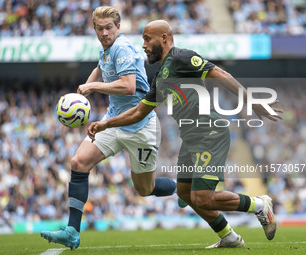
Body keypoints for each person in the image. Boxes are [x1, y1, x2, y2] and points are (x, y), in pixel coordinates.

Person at [88, 20, 283, 248]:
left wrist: (251, 102)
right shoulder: (161, 76)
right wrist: (105, 124)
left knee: (203, 197)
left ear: (163, 38)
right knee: (185, 193)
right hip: (191, 139)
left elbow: (219, 73)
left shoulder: (181, 57)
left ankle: (259, 205)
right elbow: (139, 112)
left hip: (209, 133)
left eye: (147, 39)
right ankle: (228, 236)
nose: (143, 45)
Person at [40, 9, 176, 250]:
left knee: (145, 189)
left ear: (118, 27)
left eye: (109, 28)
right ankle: (72, 231)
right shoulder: (106, 49)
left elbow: (128, 86)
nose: (104, 32)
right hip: (113, 120)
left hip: (140, 124)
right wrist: (84, 89)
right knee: (79, 163)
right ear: (94, 29)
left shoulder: (122, 48)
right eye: (100, 28)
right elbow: (101, 67)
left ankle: (182, 188)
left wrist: (93, 85)